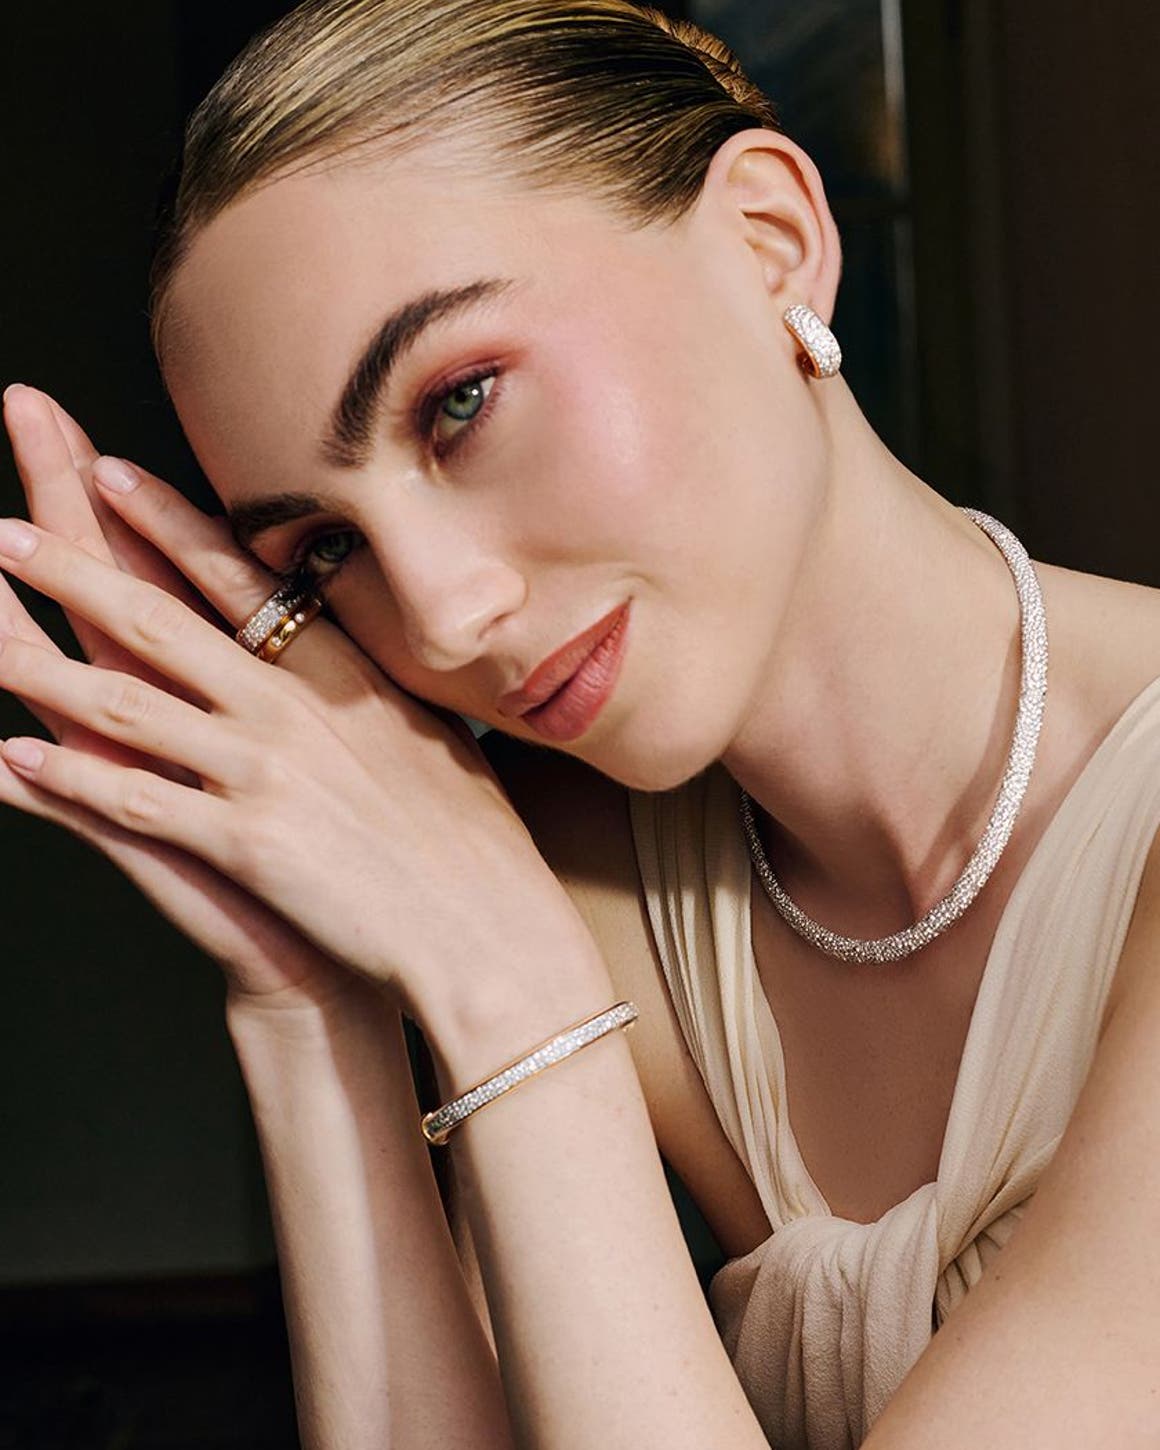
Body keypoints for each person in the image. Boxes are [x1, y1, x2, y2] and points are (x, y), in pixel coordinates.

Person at [1, 1, 1158, 1445]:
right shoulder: (561, 867)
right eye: (322, 552)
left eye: (460, 402)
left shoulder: (530, 923)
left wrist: (514, 997)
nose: (439, 615)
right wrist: (315, 1005)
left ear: (767, 240)